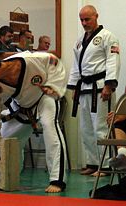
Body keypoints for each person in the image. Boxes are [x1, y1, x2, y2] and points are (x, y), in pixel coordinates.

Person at [0, 50, 68, 193]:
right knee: (6, 140)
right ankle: (8, 176)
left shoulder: (30, 60)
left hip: (43, 98)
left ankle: (57, 180)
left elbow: (54, 61)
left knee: (50, 129)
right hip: (21, 107)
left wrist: (52, 86)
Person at [67, 5, 120, 176]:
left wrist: (109, 85)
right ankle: (92, 162)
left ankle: (105, 166)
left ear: (96, 16)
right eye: (81, 19)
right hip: (84, 89)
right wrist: (74, 86)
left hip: (100, 88)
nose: (84, 23)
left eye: (87, 19)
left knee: (101, 127)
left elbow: (113, 60)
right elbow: (76, 66)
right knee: (86, 128)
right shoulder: (79, 41)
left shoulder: (108, 37)